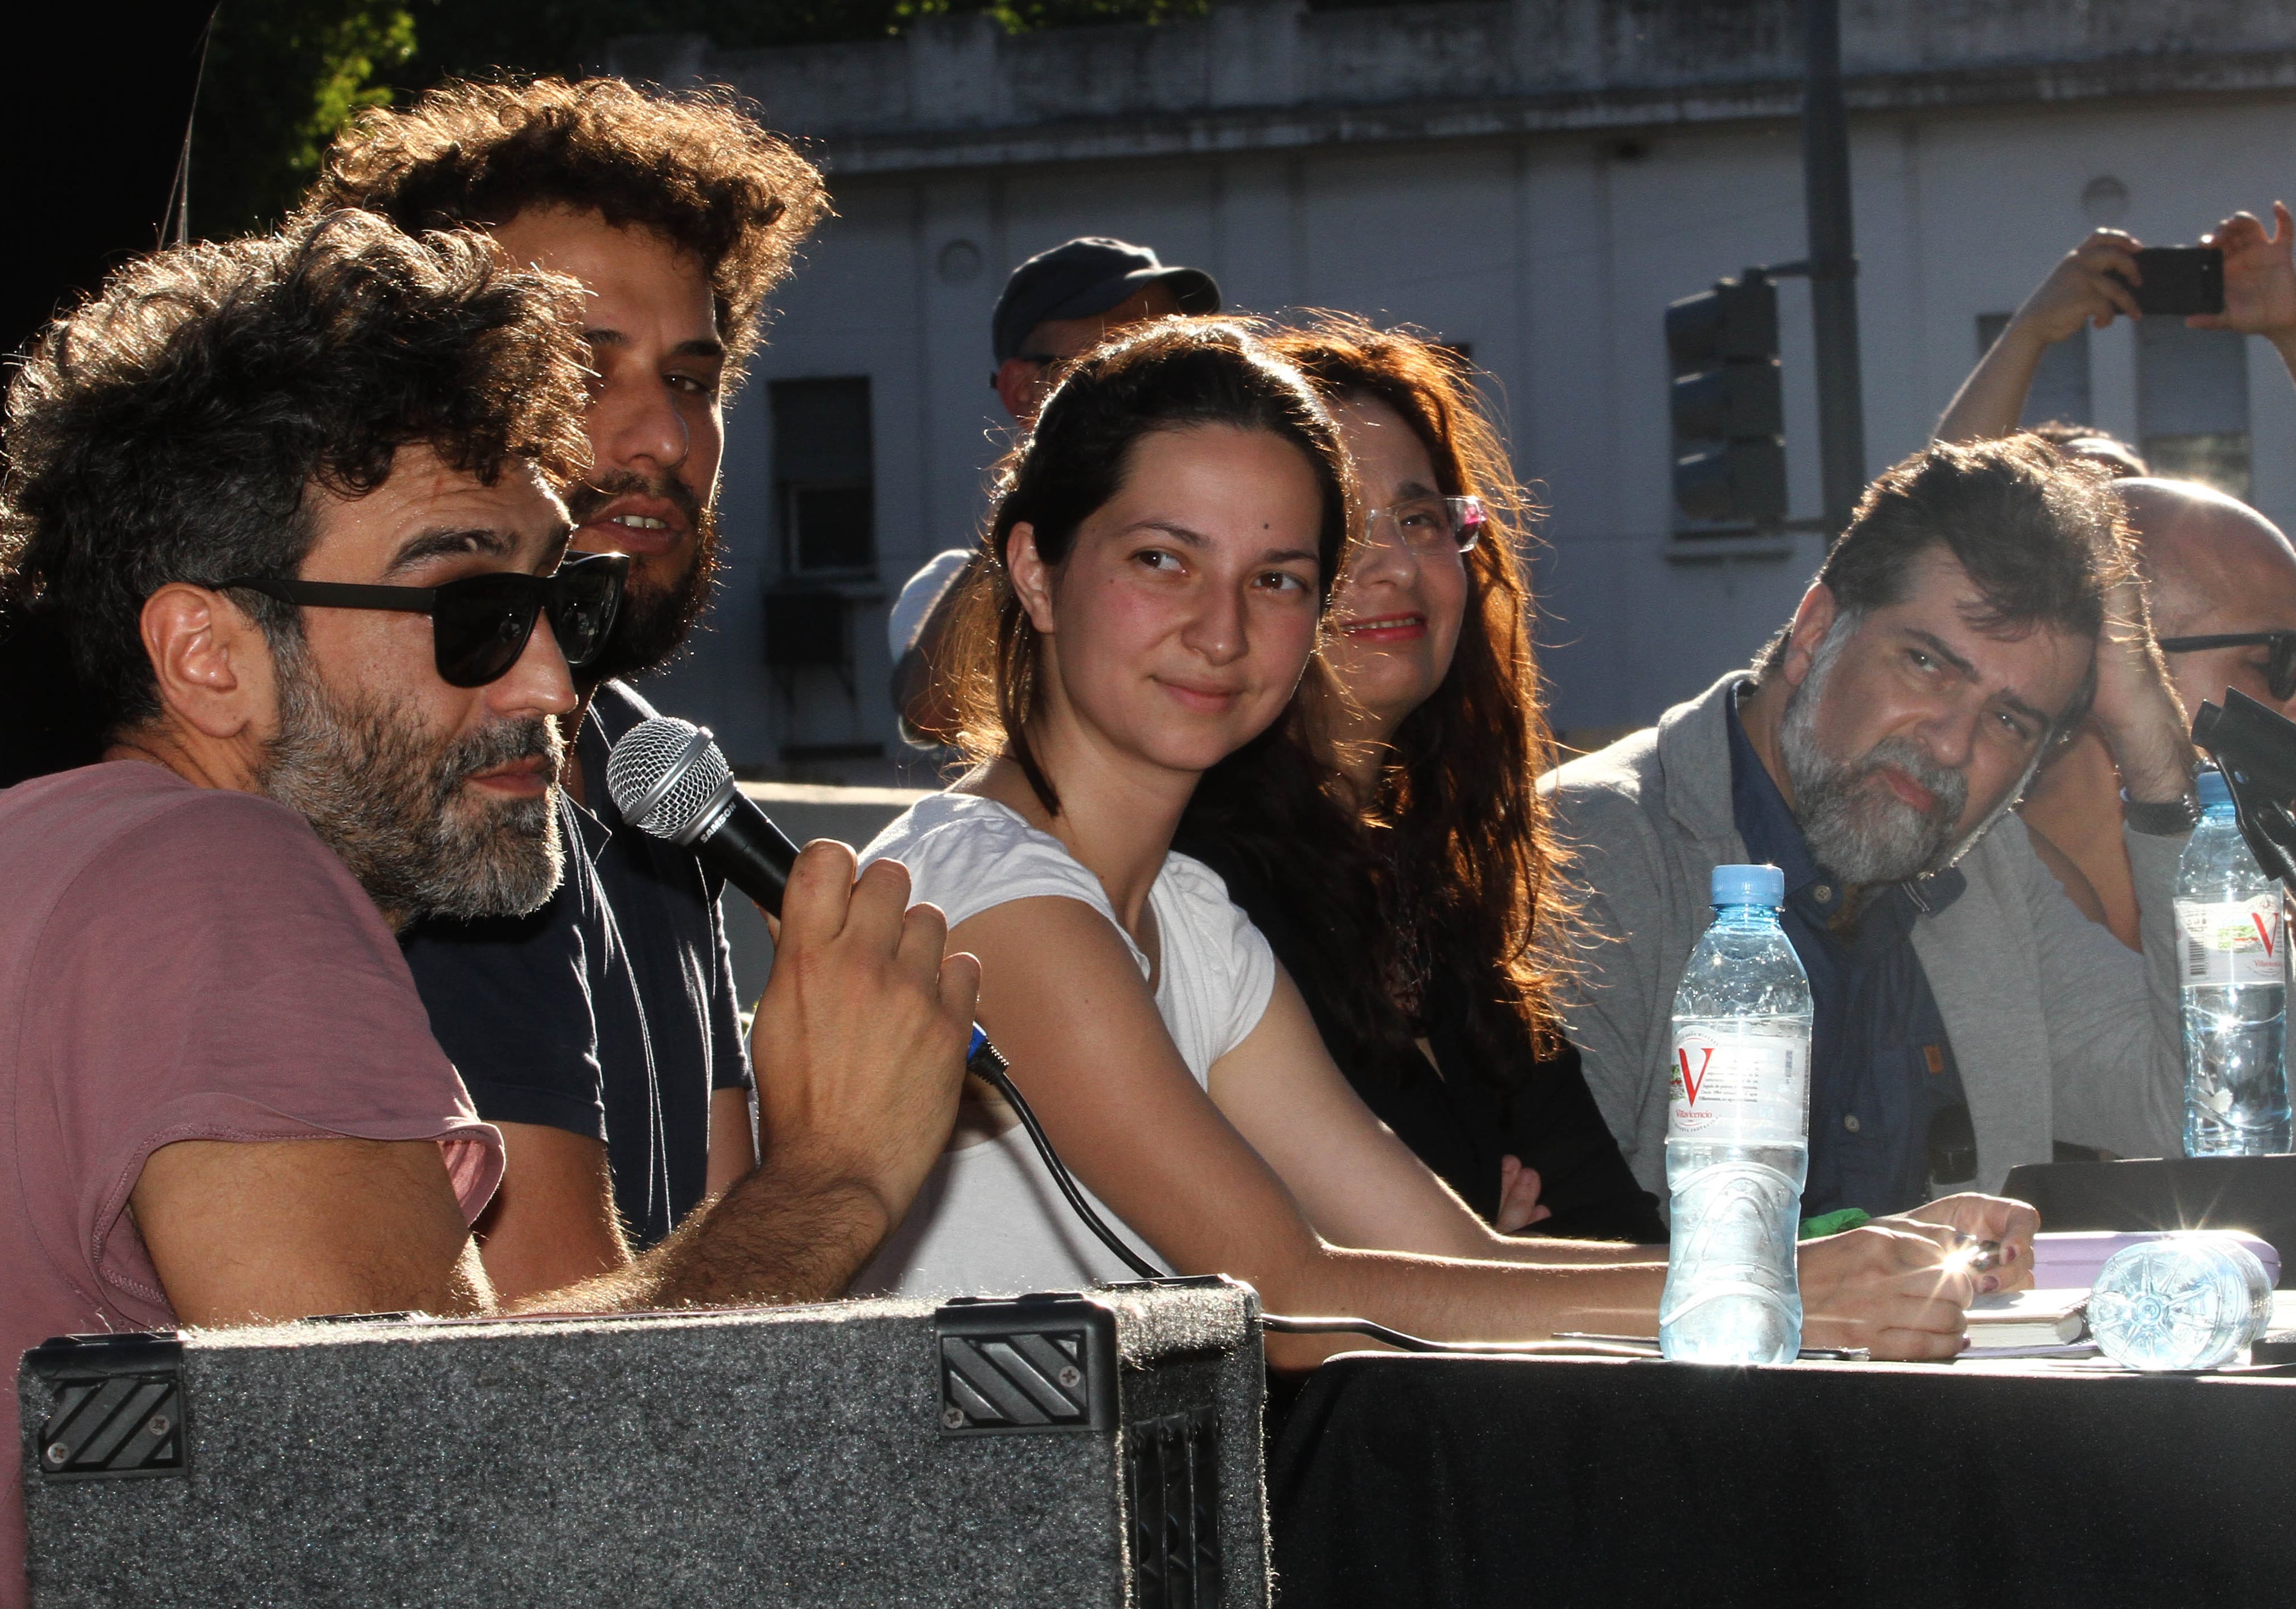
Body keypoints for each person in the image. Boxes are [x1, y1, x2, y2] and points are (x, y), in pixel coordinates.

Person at [0, 213, 975, 1607]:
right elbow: (421, 1512)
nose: (553, 683)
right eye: (474, 610)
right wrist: (832, 1180)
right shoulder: (222, 883)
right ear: (208, 651)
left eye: (568, 600)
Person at [853, 317, 2034, 1364]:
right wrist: (1784, 1288)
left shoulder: (1187, 918)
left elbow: (1448, 1255)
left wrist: (1839, 1261)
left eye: (1274, 578)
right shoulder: (989, 894)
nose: (1221, 628)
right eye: (1162, 560)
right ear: (1037, 572)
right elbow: (1295, 1300)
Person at [301, 78, 827, 1297]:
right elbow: (557, 1381)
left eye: (693, 377)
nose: (663, 437)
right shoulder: (423, 783)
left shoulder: (654, 769)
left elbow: (748, 1287)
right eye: (584, 369)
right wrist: (846, 1161)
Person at [1551, 436, 2198, 1212]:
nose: (1952, 744)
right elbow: (1547, 1270)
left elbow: (2220, 1109)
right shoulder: (1591, 847)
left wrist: (2159, 763)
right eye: (1927, 664)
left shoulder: (1988, 873)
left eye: (2008, 720)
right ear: (1816, 630)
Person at [1170, 315, 1659, 1239]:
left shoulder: (1433, 896)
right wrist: (1486, 1263)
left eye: (1422, 518)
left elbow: (1612, 1234)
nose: (1393, 563)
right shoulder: (1192, 886)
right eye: (1341, 525)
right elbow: (1339, 1296)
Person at [1935, 205, 2296, 976]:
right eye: (2076, 535)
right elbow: (1941, 537)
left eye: (2131, 527)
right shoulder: (1988, 871)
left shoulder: (2252, 663)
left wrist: (2294, 331)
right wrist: (2028, 335)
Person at [890, 237, 1222, 744]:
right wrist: (1049, 477)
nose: (1164, 390)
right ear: (1023, 390)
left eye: (1180, 356)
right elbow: (934, 708)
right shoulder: (947, 589)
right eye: (1120, 365)